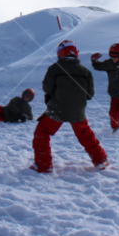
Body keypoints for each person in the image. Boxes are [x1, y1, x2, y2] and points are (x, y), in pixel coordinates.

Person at [31, 40, 108, 173]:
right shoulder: (85, 71)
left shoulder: (54, 68)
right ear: (76, 53)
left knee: (42, 133)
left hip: (57, 110)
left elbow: (46, 88)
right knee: (86, 135)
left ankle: (43, 165)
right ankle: (101, 160)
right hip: (78, 111)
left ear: (60, 53)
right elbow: (89, 95)